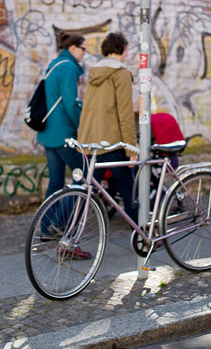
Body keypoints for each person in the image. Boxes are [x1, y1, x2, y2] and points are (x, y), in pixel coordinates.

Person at [78, 32, 139, 222]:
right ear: (121, 49)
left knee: (87, 191)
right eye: (127, 50)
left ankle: (70, 236)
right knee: (130, 192)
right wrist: (131, 148)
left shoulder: (94, 73)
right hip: (113, 142)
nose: (127, 54)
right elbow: (125, 115)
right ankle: (142, 236)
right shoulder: (120, 74)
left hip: (91, 140)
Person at [37, 33, 86, 200]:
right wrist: (82, 125)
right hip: (63, 133)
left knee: (55, 182)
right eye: (83, 49)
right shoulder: (68, 68)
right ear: (73, 48)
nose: (84, 53)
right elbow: (70, 102)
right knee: (82, 177)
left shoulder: (54, 64)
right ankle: (62, 221)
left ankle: (45, 225)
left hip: (48, 132)